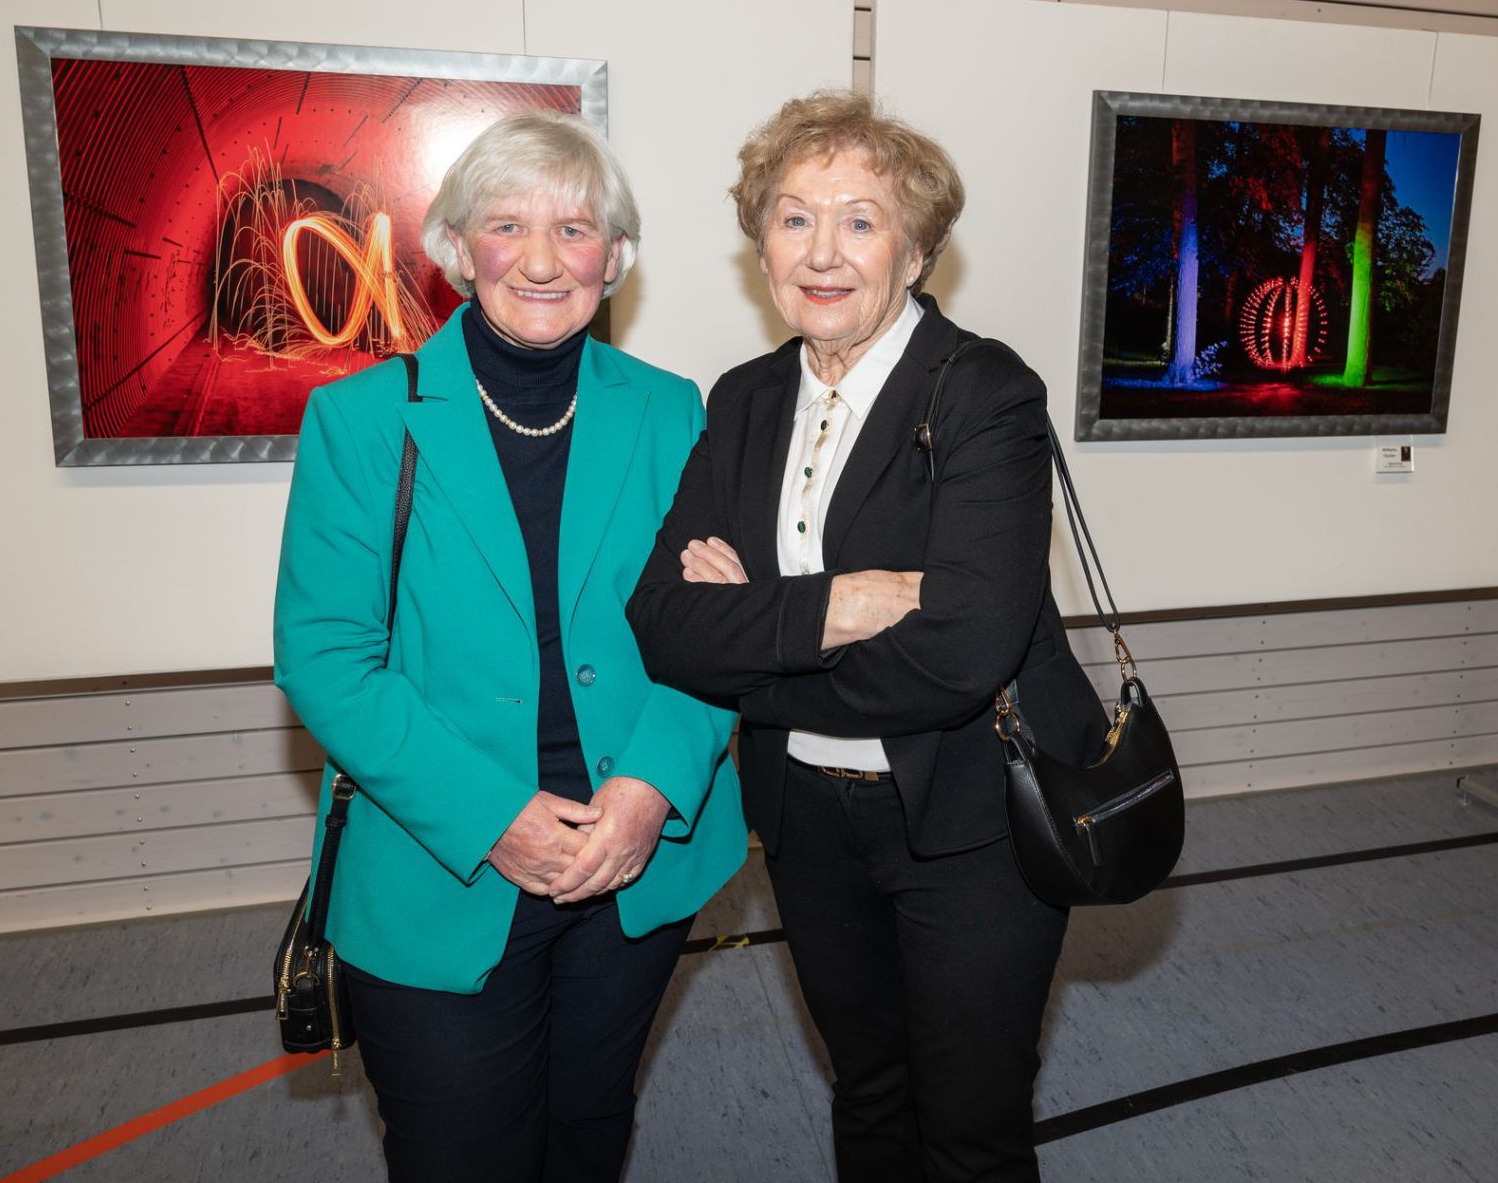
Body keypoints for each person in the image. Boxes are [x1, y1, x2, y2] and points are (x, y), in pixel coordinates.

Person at [627, 91, 1107, 1182]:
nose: (822, 251)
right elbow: (663, 622)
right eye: (794, 218)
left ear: (917, 248)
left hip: (971, 818)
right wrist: (840, 606)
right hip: (806, 820)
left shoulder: (984, 392)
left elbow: (961, 655)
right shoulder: (744, 400)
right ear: (760, 245)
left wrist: (750, 651)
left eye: (860, 220)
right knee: (870, 1092)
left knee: (970, 1121)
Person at [273, 110, 741, 1183]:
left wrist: (651, 791)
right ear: (455, 247)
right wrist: (495, 817)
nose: (540, 260)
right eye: (507, 225)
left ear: (613, 258)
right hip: (439, 862)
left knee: (588, 1129)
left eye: (574, 230)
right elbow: (326, 657)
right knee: (460, 1154)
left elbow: (717, 630)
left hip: (634, 856)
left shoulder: (672, 411)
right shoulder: (362, 420)